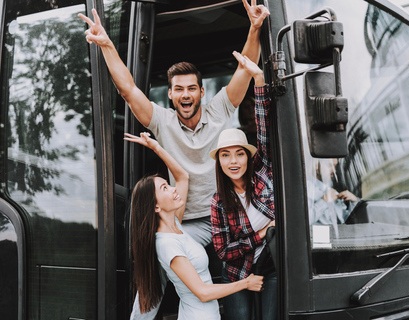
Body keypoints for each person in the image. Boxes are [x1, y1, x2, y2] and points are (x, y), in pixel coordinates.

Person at [78, 0, 270, 247]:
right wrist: (106, 45)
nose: (186, 95)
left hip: (226, 216)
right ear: (170, 95)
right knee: (165, 253)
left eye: (192, 88)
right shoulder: (161, 121)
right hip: (187, 222)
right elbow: (128, 90)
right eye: (178, 89)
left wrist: (255, 28)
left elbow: (246, 69)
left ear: (201, 92)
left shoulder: (220, 108)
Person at [125, 131, 264, 319]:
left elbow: (182, 176)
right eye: (165, 188)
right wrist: (246, 283)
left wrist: (156, 147)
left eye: (168, 184)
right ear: (155, 206)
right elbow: (202, 293)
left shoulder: (175, 225)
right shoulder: (167, 244)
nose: (173, 189)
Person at [210, 52, 276, 320]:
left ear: (248, 157)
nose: (233, 161)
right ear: (220, 162)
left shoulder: (262, 172)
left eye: (239, 153)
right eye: (225, 155)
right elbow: (224, 250)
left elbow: (263, 128)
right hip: (237, 274)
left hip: (271, 266)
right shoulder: (218, 201)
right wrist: (261, 235)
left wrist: (258, 78)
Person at [308, 158, 359, 225]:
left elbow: (345, 222)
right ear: (316, 165)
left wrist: (354, 203)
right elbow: (301, 223)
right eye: (329, 165)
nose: (334, 170)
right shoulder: (305, 190)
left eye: (335, 166)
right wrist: (323, 202)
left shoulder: (333, 192)